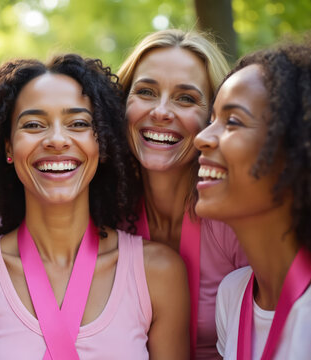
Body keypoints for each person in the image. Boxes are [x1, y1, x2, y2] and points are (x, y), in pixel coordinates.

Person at [0, 54, 190, 359]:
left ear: (102, 143)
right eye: (34, 124)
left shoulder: (158, 273)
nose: (56, 139)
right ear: (8, 147)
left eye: (78, 123)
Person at [194, 33, 311, 359]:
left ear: (300, 150)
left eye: (233, 121)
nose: (201, 138)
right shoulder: (234, 296)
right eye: (211, 120)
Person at [116, 29, 246, 360]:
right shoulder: (106, 214)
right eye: (145, 91)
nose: (161, 112)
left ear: (213, 117)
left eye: (185, 98)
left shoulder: (235, 219)